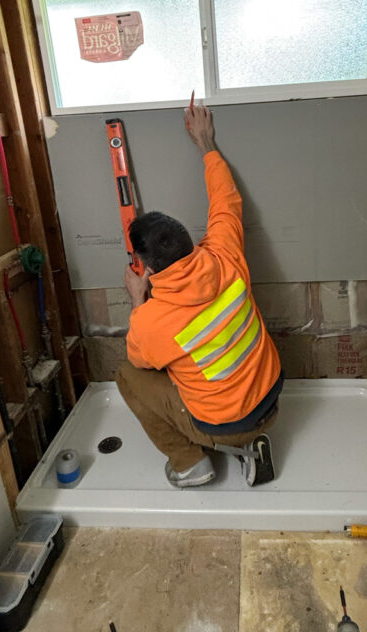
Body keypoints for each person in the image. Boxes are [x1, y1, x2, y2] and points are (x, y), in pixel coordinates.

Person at [115, 105, 283, 488]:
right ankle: (249, 445)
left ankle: (192, 464)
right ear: (190, 241)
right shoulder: (224, 252)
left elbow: (141, 359)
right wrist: (206, 143)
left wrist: (138, 300)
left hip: (227, 425)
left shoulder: (152, 320)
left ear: (148, 268)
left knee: (127, 376)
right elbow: (226, 198)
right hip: (272, 401)